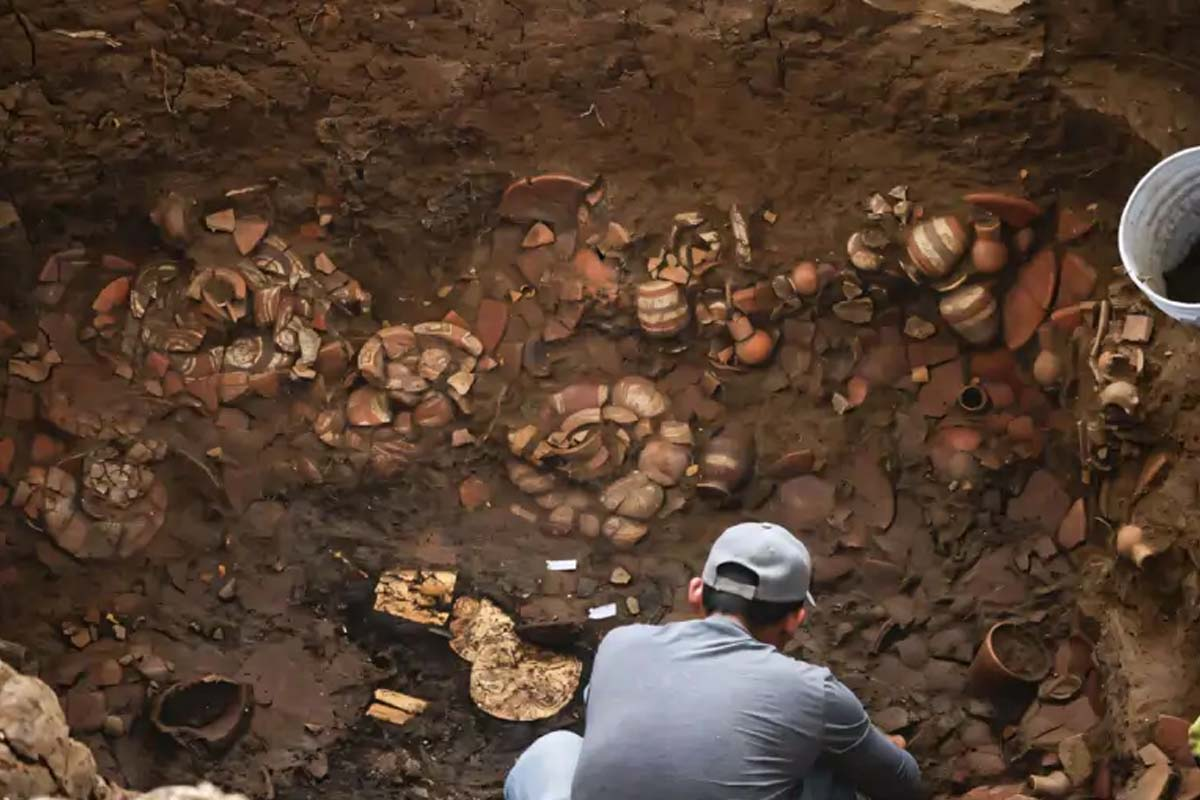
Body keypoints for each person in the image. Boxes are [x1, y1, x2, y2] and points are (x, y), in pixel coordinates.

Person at [504, 521, 923, 800]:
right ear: (796, 619)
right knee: (830, 775)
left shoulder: (620, 644)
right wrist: (869, 745)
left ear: (695, 591)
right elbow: (901, 783)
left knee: (556, 750)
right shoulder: (814, 692)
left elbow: (605, 716)